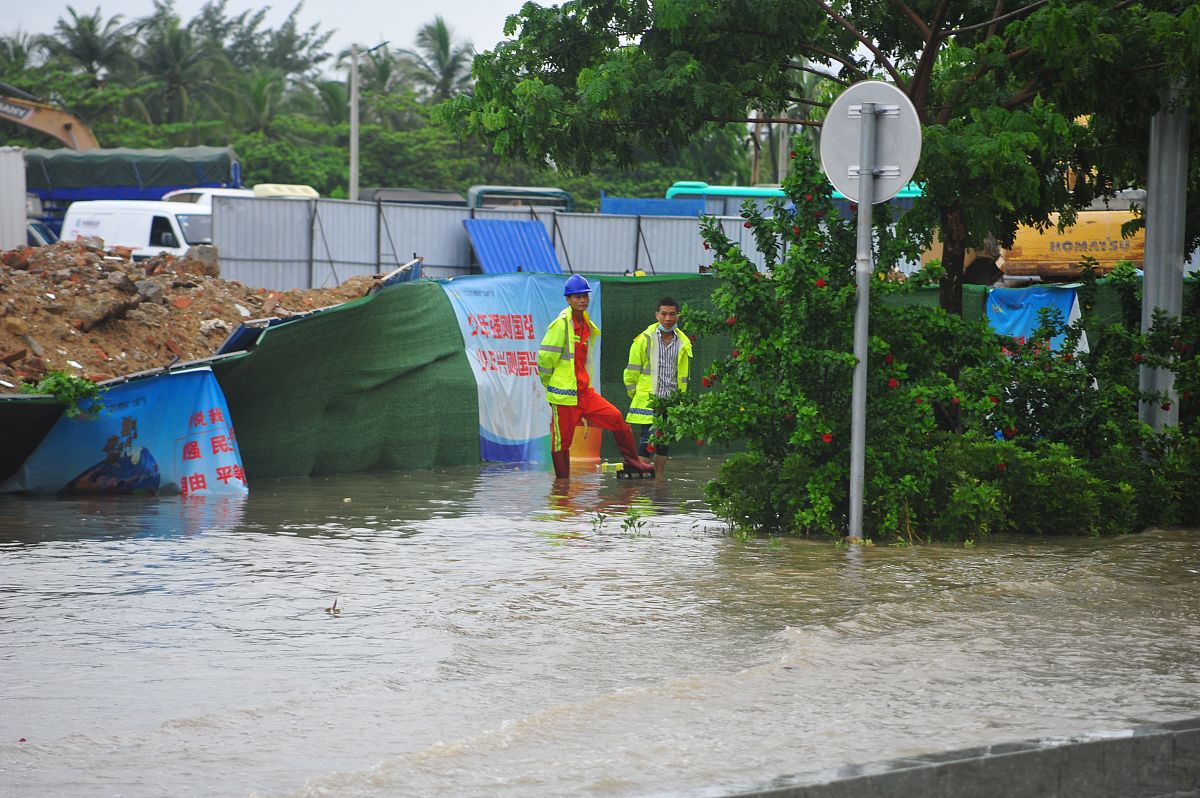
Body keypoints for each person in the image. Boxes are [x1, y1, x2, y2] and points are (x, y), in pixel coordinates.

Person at [538, 275, 656, 480]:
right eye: (577, 297)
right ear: (568, 299)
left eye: (585, 296)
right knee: (561, 443)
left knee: (616, 418)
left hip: (584, 392)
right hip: (564, 396)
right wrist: (552, 387)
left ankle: (633, 462)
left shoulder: (585, 323)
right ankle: (562, 485)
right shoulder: (561, 324)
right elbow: (545, 360)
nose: (582, 300)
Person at [623, 296, 692, 476]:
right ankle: (641, 481)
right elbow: (631, 372)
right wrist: (636, 394)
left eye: (672, 314)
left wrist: (680, 401)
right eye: (663, 314)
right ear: (657, 315)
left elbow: (682, 376)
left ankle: (658, 480)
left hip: (671, 401)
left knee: (664, 443)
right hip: (649, 400)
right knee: (647, 441)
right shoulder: (644, 339)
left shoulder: (683, 342)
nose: (667, 319)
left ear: (678, 315)